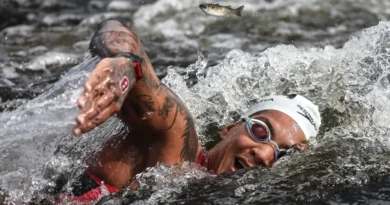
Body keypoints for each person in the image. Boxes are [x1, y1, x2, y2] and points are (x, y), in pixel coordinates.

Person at [62, 19, 321, 202]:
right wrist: (125, 61)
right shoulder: (177, 139)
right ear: (229, 129)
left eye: (282, 155)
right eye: (261, 131)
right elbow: (116, 29)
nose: (266, 154)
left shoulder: (206, 190)